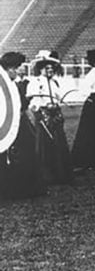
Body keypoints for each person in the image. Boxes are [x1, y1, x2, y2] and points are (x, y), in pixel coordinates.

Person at [0, 52, 47, 199]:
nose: (18, 70)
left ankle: (27, 187)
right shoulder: (4, 86)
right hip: (7, 124)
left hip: (21, 123)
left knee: (28, 152)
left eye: (18, 67)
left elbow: (23, 105)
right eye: (14, 68)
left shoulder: (16, 84)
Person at [27, 50, 73, 185]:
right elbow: (33, 102)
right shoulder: (35, 82)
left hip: (56, 116)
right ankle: (47, 175)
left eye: (51, 68)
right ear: (41, 69)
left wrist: (55, 105)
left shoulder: (55, 83)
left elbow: (58, 98)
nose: (50, 70)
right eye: (47, 68)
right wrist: (41, 109)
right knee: (44, 143)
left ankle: (61, 173)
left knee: (59, 142)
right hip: (44, 117)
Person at [71, 46, 95, 172]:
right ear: (94, 62)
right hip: (92, 107)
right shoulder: (92, 74)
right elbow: (84, 89)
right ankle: (87, 161)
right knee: (91, 133)